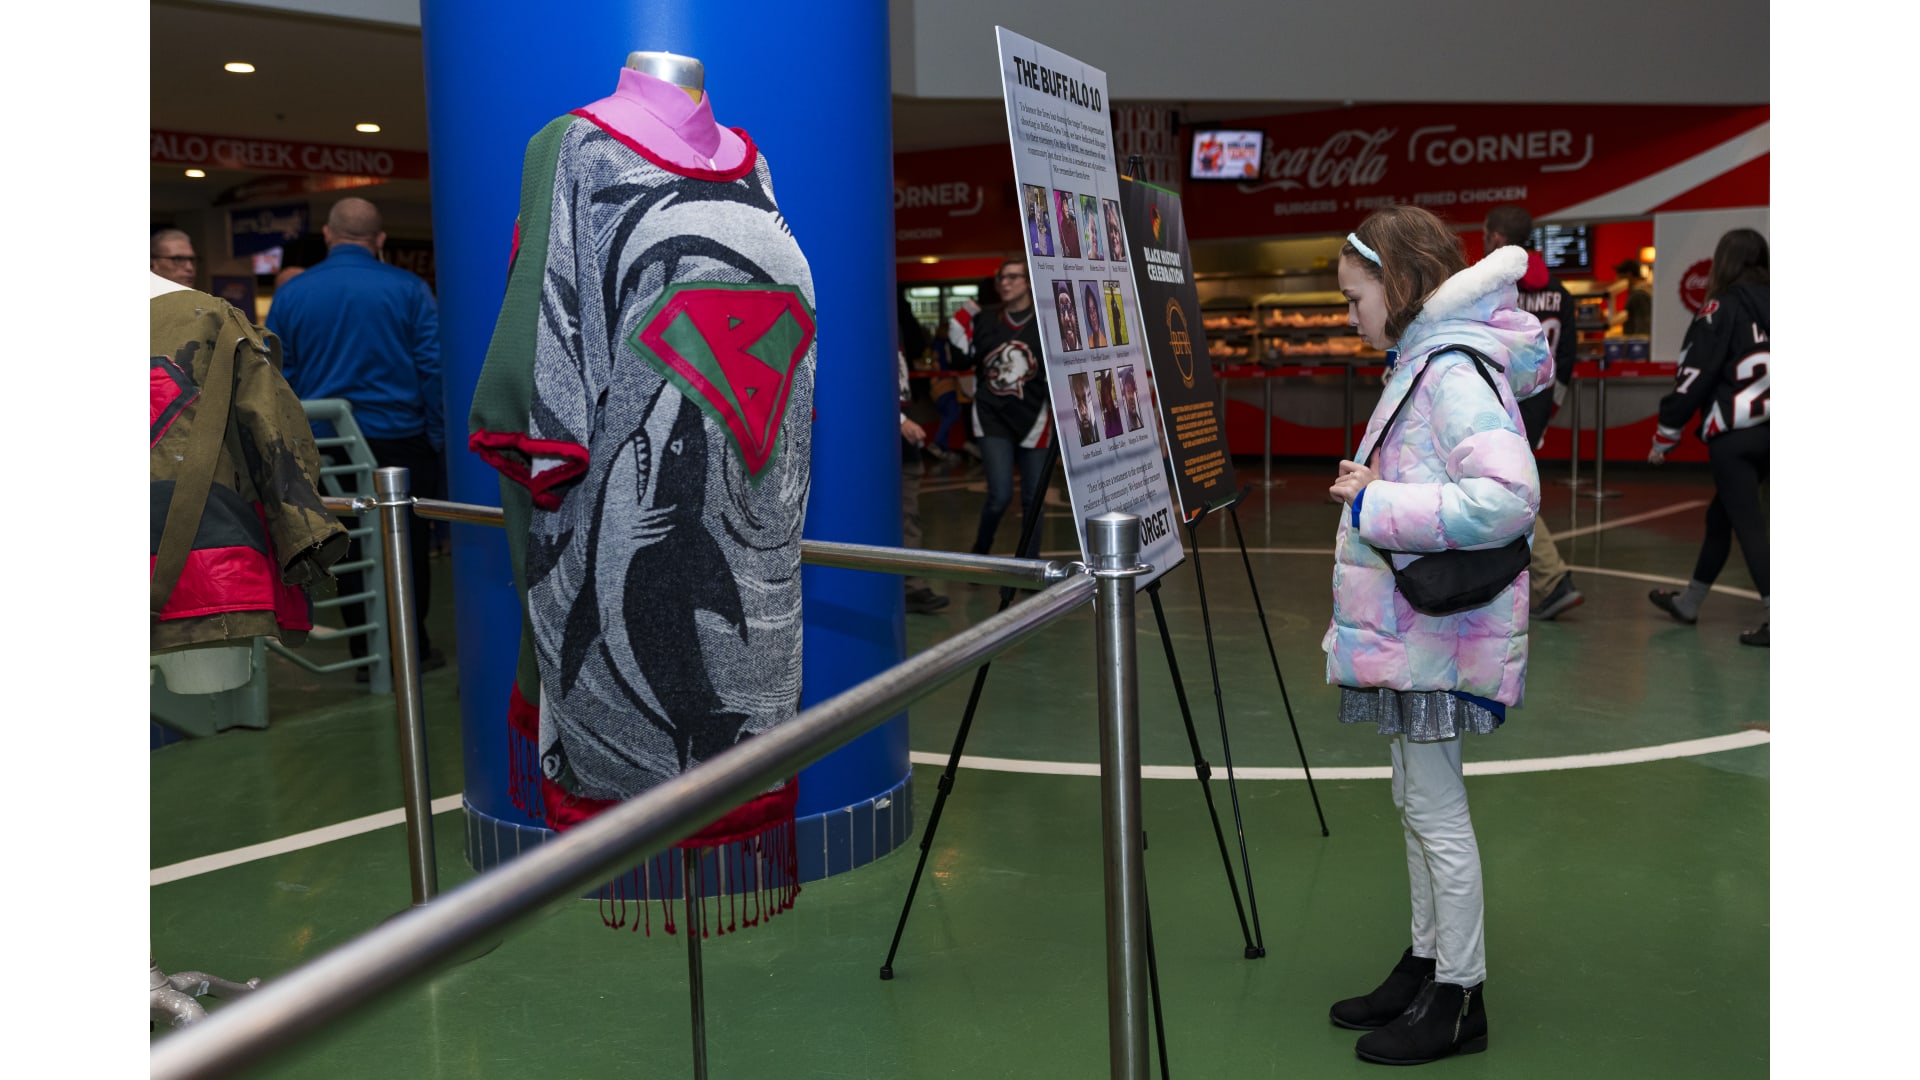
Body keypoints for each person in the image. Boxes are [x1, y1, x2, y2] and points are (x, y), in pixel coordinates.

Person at [1323, 205, 1547, 1067]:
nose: (1351, 316)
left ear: (1400, 283)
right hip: (1419, 632)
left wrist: (1375, 501)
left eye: (1356, 299)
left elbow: (1507, 498)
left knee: (1435, 811)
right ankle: (1427, 966)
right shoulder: (1425, 360)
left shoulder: (1450, 370)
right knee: (1418, 801)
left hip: (1435, 634)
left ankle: (1459, 995)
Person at [266, 197, 447, 675]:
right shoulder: (409, 289)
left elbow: (278, 378)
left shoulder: (292, 294)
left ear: (328, 235)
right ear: (380, 239)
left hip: (329, 446)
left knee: (347, 548)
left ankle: (367, 654)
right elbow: (433, 368)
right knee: (407, 544)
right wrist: (436, 435)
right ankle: (411, 650)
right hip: (400, 441)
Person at [1647, 228, 1769, 646]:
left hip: (1736, 434)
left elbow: (1694, 375)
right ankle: (1690, 602)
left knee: (1749, 525)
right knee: (1722, 517)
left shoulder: (1721, 307)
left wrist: (1666, 435)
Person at [1482, 206, 1582, 619]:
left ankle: (1551, 580)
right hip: (1539, 401)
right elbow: (1569, 357)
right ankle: (1538, 580)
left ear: (1497, 239)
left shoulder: (1495, 287)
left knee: (1506, 489)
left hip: (1502, 399)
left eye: (1485, 235)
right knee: (1509, 484)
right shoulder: (1560, 292)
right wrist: (1550, 407)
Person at [950, 257, 1051, 555]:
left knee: (1034, 499)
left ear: (1028, 282)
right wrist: (964, 316)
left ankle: (1030, 565)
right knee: (1000, 496)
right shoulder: (986, 320)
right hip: (991, 415)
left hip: (1034, 417)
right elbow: (962, 361)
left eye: (1013, 277)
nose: (1005, 283)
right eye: (1001, 278)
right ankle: (980, 550)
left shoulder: (1045, 322)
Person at [899, 349, 949, 614]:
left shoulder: (898, 331)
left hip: (905, 450)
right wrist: (900, 419)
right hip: (879, 447)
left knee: (909, 518)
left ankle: (912, 587)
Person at [1612, 258, 1653, 335]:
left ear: (1629, 275)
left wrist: (1637, 341)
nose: (1617, 278)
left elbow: (1643, 326)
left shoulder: (1638, 295)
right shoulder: (1643, 290)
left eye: (1620, 275)